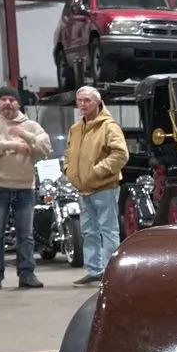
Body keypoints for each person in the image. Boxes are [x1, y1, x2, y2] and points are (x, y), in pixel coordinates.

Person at [0, 86, 52, 290]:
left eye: (12, 99)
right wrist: (12, 145)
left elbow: (45, 148)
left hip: (25, 187)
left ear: (18, 103)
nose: (8, 103)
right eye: (4, 99)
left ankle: (27, 273)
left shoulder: (31, 125)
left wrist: (25, 135)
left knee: (26, 234)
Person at [65, 85, 128, 285]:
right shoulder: (75, 129)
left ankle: (111, 272)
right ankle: (94, 270)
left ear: (98, 102)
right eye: (80, 100)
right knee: (88, 231)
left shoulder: (109, 126)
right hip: (83, 189)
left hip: (104, 188)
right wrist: (69, 171)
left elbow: (121, 154)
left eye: (87, 100)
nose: (82, 104)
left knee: (108, 230)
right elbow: (69, 155)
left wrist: (96, 172)